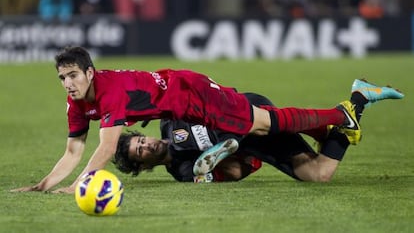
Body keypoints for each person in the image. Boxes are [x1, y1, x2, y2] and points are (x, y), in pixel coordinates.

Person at [11, 46, 403, 193]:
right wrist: (44, 185)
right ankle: (346, 110)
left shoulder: (110, 92)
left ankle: (342, 114)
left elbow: (106, 147)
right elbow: (72, 150)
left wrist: (79, 186)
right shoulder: (75, 105)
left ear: (90, 73)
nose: (67, 83)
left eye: (73, 75)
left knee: (260, 123)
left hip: (191, 94)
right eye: (62, 78)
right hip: (181, 107)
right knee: (310, 167)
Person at [113, 87, 403, 183]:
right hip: (250, 145)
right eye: (140, 152)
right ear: (144, 167)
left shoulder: (170, 122)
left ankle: (345, 113)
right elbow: (236, 173)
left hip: (245, 113)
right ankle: (359, 98)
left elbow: (201, 95)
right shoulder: (182, 169)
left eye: (140, 141)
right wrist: (231, 163)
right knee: (318, 173)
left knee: (289, 125)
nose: (146, 145)